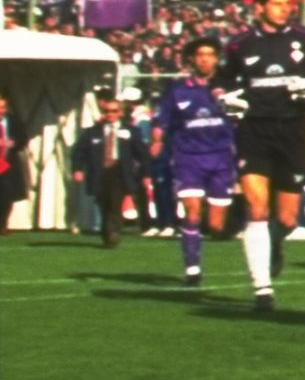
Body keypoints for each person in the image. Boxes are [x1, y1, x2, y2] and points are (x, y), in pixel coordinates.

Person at [215, 0, 305, 314]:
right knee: (256, 209)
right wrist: (224, 97)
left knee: (287, 219)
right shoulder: (239, 45)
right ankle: (262, 289)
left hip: (292, 130)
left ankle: (275, 243)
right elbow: (221, 80)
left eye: (287, 3)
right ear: (258, 7)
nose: (284, 9)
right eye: (276, 3)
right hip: (253, 130)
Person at [155, 39, 237, 286]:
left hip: (221, 158)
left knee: (215, 224)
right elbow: (162, 120)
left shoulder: (227, 89)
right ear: (191, 59)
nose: (205, 59)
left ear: (216, 59)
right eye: (200, 55)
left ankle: (215, 231)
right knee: (191, 211)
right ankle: (192, 267)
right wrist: (156, 140)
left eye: (210, 54)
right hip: (188, 158)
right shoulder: (177, 90)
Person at [77, 94, 141, 247]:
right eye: (107, 111)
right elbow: (79, 151)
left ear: (119, 112)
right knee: (102, 203)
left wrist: (145, 173)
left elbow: (141, 152)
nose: (110, 114)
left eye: (114, 111)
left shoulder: (130, 130)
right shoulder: (93, 132)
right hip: (100, 172)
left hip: (119, 172)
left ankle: (114, 231)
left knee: (115, 203)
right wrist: (78, 169)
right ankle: (107, 232)